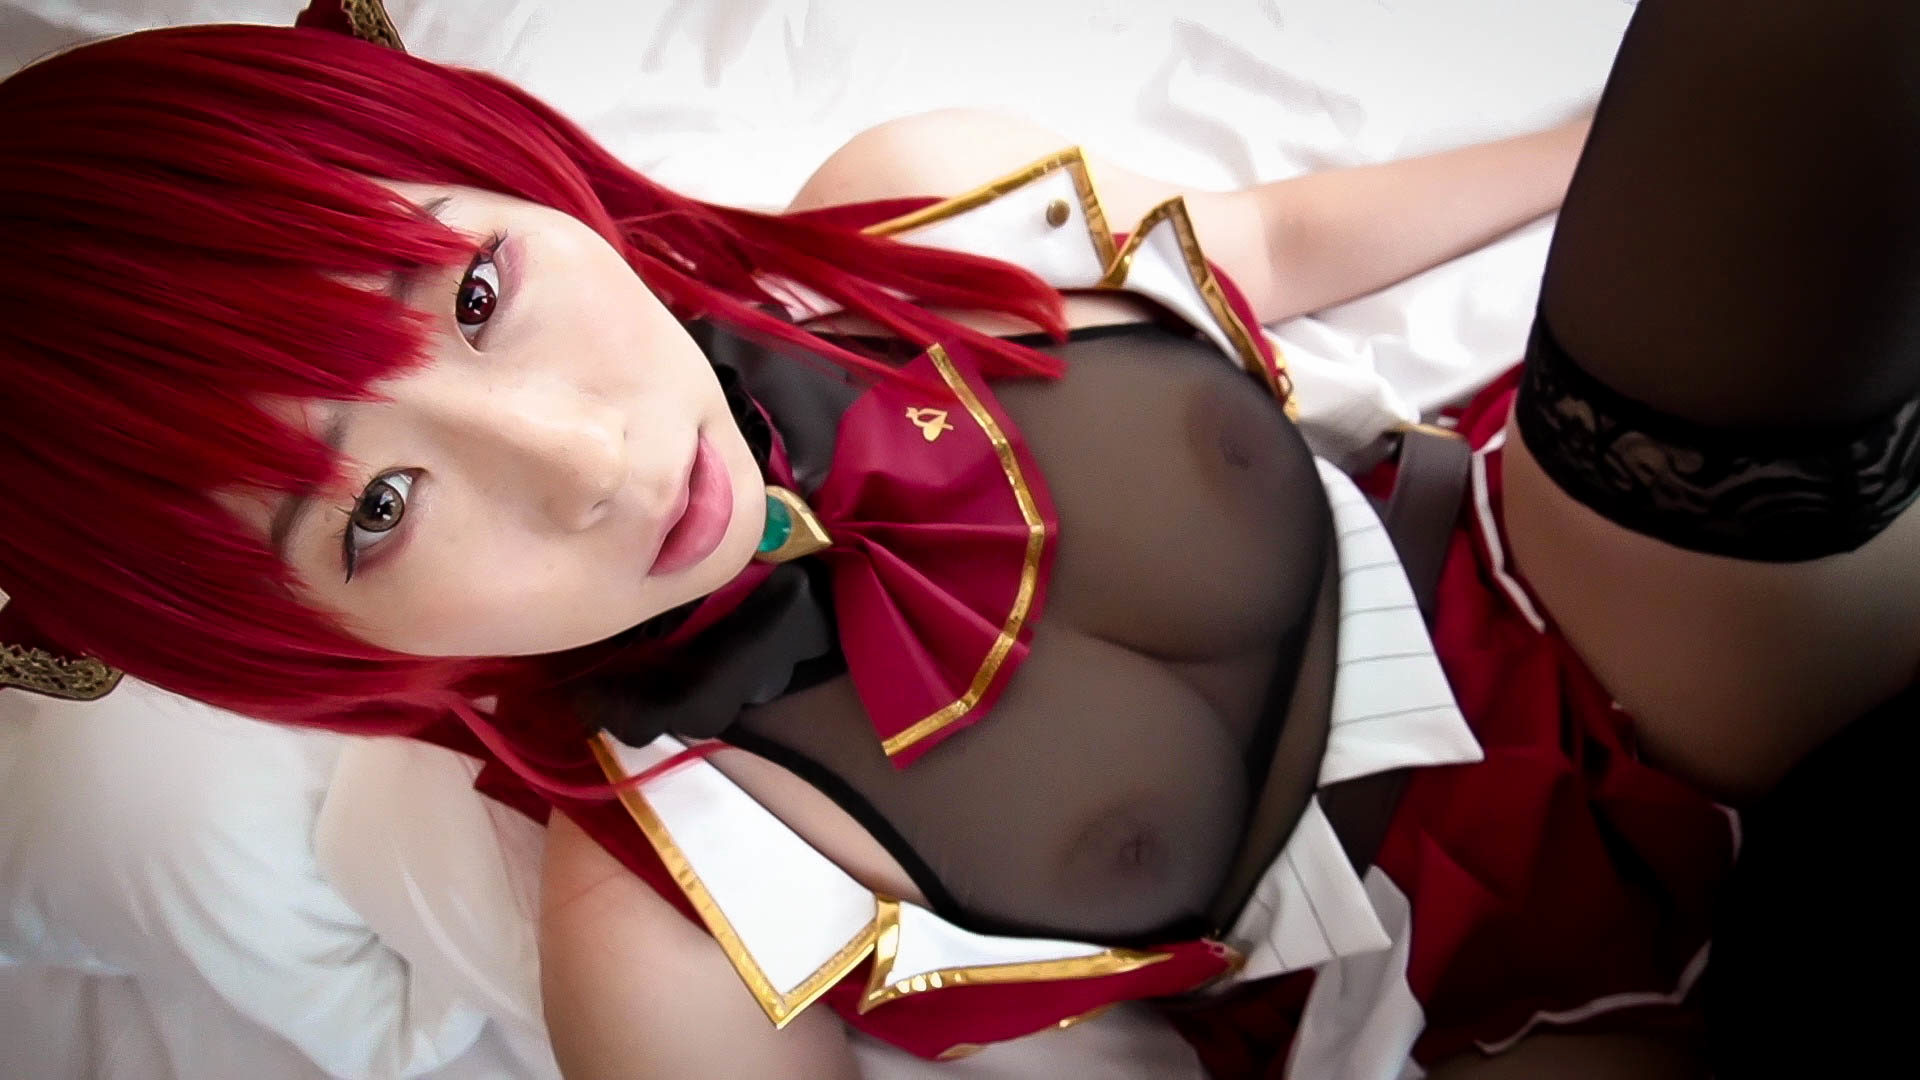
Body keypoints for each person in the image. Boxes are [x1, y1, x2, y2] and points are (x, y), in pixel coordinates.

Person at [0, 1, 1909, 1078]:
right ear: (303, 643)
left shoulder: (917, 214)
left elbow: (1280, 242)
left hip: (1583, 579)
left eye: (480, 293)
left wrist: (1603, 156)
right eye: (378, 510)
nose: (583, 463)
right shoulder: (664, 937)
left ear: (505, 173)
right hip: (1472, 1011)